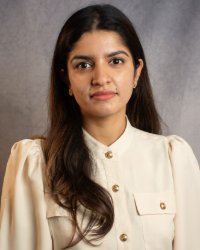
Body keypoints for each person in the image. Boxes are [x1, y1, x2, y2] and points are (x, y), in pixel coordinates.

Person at [0, 4, 200, 250]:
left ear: (137, 72)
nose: (101, 78)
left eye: (116, 61)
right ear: (67, 80)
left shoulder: (173, 159)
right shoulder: (35, 162)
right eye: (84, 65)